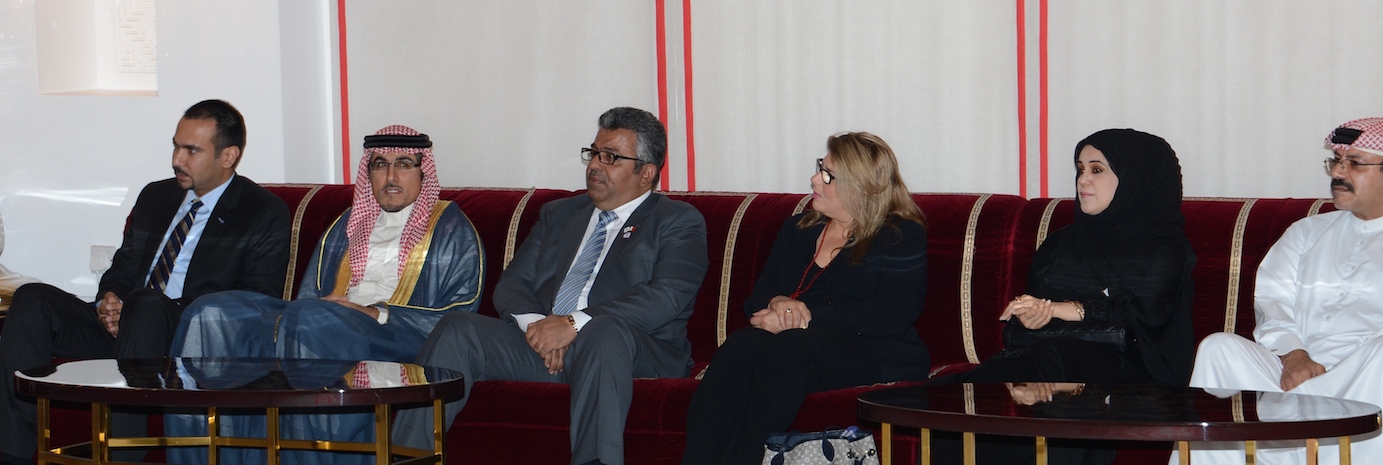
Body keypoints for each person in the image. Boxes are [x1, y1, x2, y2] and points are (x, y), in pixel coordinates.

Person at [391, 107, 709, 465]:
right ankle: (407, 459)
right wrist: (539, 329)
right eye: (593, 153)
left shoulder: (677, 220)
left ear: (646, 173)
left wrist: (572, 324)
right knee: (457, 329)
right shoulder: (559, 214)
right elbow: (513, 282)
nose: (594, 165)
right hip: (544, 349)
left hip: (629, 351)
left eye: (610, 157)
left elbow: (667, 296)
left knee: (603, 332)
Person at [1179, 118, 1383, 465]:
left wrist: (1338, 370)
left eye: (1355, 163)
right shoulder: (1305, 232)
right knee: (1218, 348)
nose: (1337, 173)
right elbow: (1273, 302)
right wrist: (1294, 355)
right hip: (1303, 368)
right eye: (1336, 161)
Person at [167, 124, 484, 465]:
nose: (391, 176)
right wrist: (322, 311)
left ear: (423, 172)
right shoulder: (347, 223)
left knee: (310, 320)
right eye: (380, 164)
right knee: (211, 314)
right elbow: (309, 298)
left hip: (398, 334)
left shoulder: (451, 228)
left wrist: (376, 312)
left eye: (404, 164)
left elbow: (458, 316)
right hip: (324, 320)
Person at [0, 99, 291, 465]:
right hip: (130, 323)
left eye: (191, 150)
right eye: (176, 146)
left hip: (184, 336)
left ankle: (121, 455)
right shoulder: (156, 196)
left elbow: (257, 299)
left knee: (145, 304)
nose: (177, 159)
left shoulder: (261, 211)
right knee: (31, 299)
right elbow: (123, 268)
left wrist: (142, 306)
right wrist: (110, 299)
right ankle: (13, 453)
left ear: (228, 156)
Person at [936, 129, 1197, 464]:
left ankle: (959, 397)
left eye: (1097, 170)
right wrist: (1033, 318)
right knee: (1020, 368)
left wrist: (1064, 309)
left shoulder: (1166, 247)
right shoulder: (1059, 244)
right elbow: (1023, 329)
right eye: (1080, 169)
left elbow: (1145, 316)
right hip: (1054, 362)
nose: (1083, 180)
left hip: (1138, 377)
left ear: (1136, 177)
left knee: (1046, 359)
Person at [680, 132, 929, 465]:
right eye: (819, 168)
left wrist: (800, 317)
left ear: (860, 187)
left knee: (789, 348)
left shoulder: (899, 235)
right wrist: (778, 302)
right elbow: (756, 298)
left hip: (873, 348)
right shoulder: (798, 228)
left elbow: (892, 315)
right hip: (795, 344)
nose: (814, 179)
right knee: (743, 343)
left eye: (827, 175)